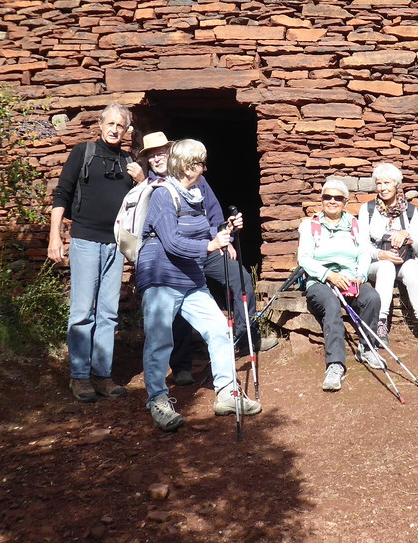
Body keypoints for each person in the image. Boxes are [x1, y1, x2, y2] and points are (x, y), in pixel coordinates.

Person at [136, 138, 261, 431]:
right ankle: (158, 401)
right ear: (185, 166)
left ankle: (227, 394)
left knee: (218, 329)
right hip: (160, 277)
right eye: (200, 163)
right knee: (160, 340)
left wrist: (227, 229)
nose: (204, 169)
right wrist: (209, 246)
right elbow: (171, 241)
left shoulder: (195, 195)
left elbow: (205, 233)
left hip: (190, 277)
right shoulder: (163, 195)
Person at [48, 104, 145, 403]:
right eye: (110, 123)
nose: (115, 129)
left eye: (120, 125)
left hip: (115, 244)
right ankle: (79, 377)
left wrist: (142, 181)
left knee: (108, 313)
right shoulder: (83, 152)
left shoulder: (129, 162)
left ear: (127, 130)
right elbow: (62, 193)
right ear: (100, 125)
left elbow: (143, 204)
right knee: (82, 313)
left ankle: (102, 376)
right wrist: (54, 236)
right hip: (86, 240)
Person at [297, 176, 383, 391]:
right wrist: (329, 275)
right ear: (322, 200)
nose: (332, 201)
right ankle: (335, 364)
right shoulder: (310, 226)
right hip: (320, 281)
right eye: (327, 197)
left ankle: (367, 348)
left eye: (338, 198)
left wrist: (360, 277)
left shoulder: (354, 225)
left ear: (345, 201)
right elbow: (304, 259)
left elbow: (363, 253)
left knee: (372, 298)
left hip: (349, 279)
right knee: (331, 304)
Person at [362, 162, 418, 348]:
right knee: (386, 267)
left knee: (412, 272)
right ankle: (380, 323)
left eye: (387, 183)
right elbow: (362, 245)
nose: (382, 188)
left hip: (403, 261)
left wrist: (407, 235)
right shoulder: (368, 209)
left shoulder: (409, 210)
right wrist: (381, 254)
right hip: (377, 263)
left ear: (396, 184)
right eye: (379, 183)